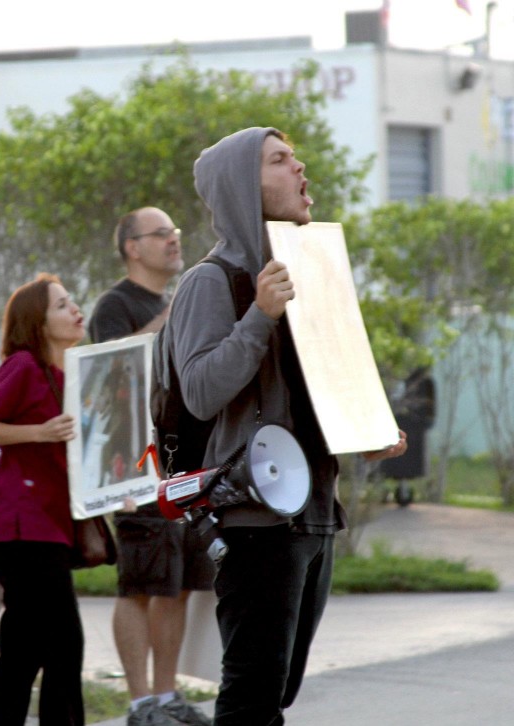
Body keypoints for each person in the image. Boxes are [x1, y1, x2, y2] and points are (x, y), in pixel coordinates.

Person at [172, 127, 407, 725]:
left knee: (277, 692)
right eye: (280, 160)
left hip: (315, 513)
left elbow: (315, 390)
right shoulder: (211, 280)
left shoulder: (311, 270)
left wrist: (366, 430)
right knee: (252, 697)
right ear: (240, 187)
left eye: (296, 157)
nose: (301, 169)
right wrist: (260, 315)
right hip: (256, 517)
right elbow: (200, 392)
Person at [88, 207, 212, 726]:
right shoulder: (114, 305)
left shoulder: (167, 299)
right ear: (131, 247)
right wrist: (174, 315)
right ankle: (139, 703)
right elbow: (113, 366)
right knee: (139, 583)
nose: (172, 240)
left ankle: (167, 695)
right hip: (134, 466)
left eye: (175, 232)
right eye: (160, 234)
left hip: (181, 463)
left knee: (178, 583)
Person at [0, 273, 86, 726]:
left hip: (52, 527)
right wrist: (37, 432)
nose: (75, 309)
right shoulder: (22, 365)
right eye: (61, 305)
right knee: (63, 647)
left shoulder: (70, 375)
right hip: (24, 529)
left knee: (23, 652)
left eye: (71, 301)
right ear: (37, 322)